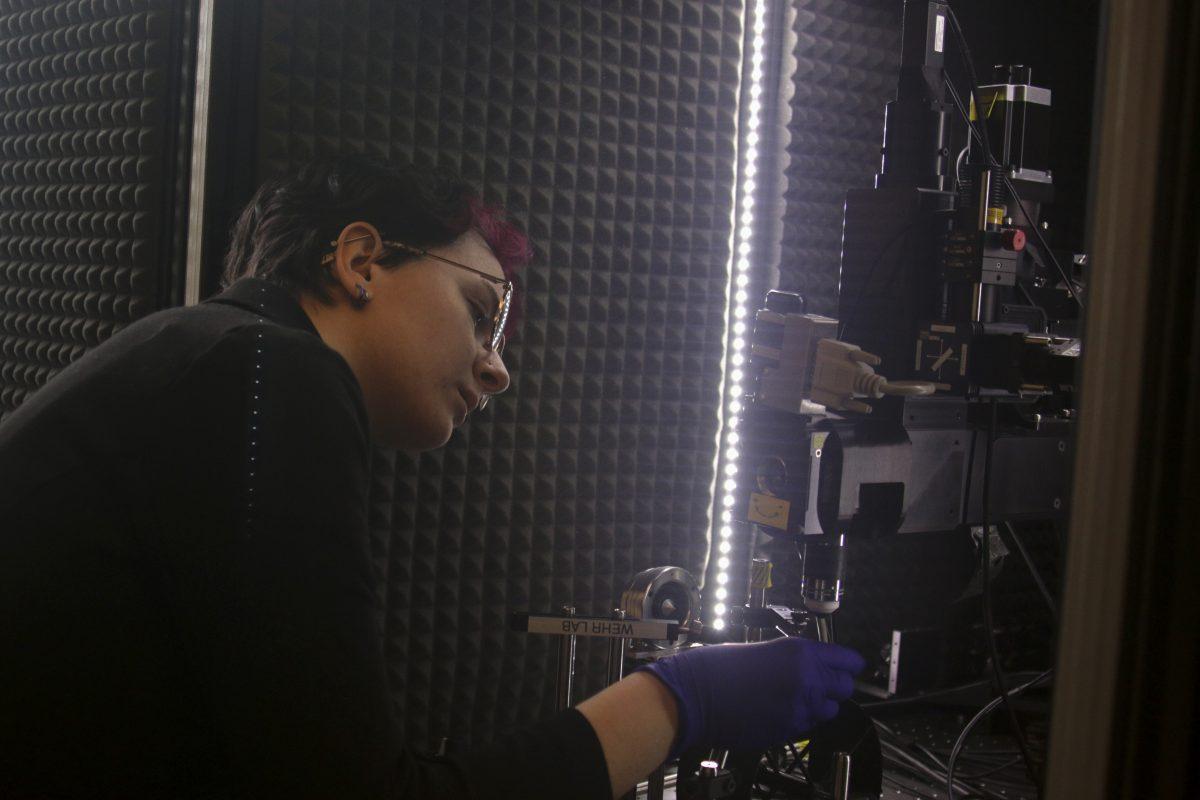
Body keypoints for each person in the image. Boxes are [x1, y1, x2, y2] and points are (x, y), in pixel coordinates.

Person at [0, 156, 864, 799]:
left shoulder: (211, 358)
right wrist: (682, 701)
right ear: (361, 260)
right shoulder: (272, 379)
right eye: (483, 315)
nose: (497, 371)